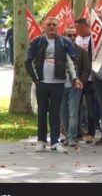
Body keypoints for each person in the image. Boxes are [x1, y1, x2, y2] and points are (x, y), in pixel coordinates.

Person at [25, 17, 79, 153]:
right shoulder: (37, 42)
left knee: (55, 113)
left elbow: (71, 62)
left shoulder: (65, 42)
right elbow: (28, 61)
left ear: (58, 26)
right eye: (49, 25)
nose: (51, 27)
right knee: (42, 112)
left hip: (59, 83)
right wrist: (36, 79)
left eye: (54, 25)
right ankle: (41, 141)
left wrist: (74, 79)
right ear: (44, 26)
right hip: (42, 83)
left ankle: (55, 141)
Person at [59, 28, 90, 148]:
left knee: (73, 113)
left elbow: (87, 68)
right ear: (64, 36)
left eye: (74, 35)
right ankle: (67, 135)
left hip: (75, 86)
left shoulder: (81, 51)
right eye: (69, 35)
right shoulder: (58, 50)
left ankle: (72, 137)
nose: (72, 37)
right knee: (63, 113)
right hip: (60, 85)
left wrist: (80, 81)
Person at [75, 18, 96, 144]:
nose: (76, 31)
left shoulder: (94, 38)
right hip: (78, 79)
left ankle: (91, 132)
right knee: (77, 106)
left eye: (77, 28)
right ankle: (77, 132)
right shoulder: (77, 39)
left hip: (90, 79)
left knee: (90, 107)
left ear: (83, 27)